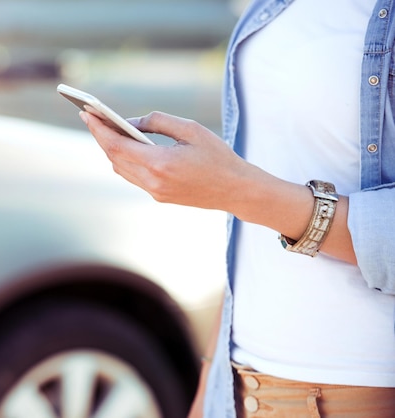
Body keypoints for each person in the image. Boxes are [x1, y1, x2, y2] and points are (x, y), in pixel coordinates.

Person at [79, 1, 395, 417]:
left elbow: (250, 191)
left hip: (361, 393)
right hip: (240, 387)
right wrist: (209, 382)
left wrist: (237, 189)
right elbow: (249, 240)